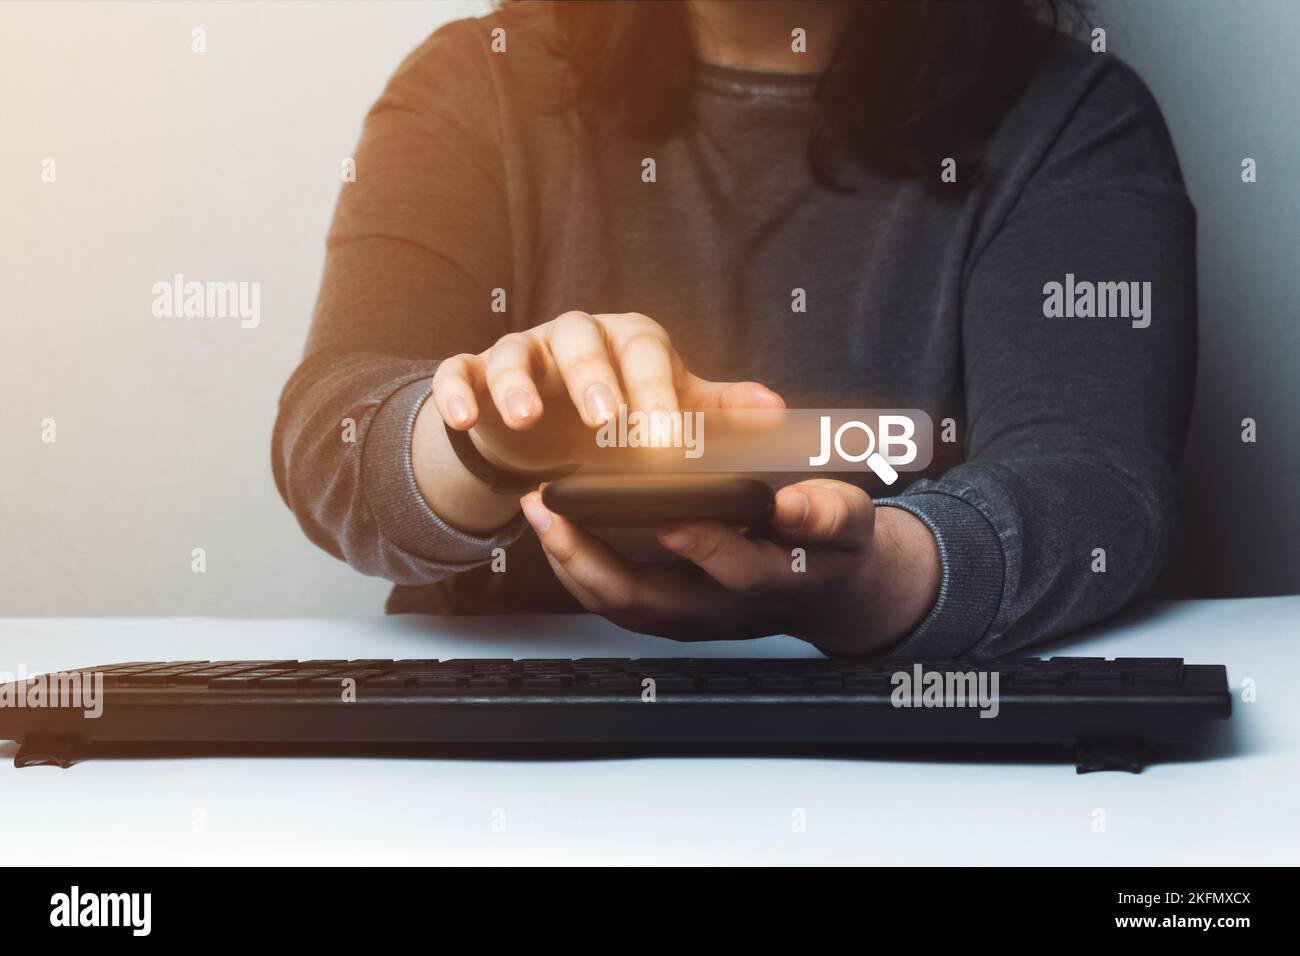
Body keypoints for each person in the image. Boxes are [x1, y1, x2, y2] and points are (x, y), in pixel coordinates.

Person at [272, 0, 1196, 657]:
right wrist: (488, 432)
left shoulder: (1072, 120)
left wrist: (875, 581)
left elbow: (1096, 482)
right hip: (495, 767)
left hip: (902, 762)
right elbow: (335, 430)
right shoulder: (477, 83)